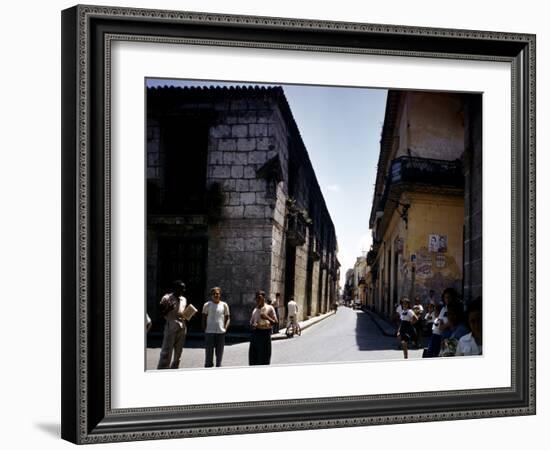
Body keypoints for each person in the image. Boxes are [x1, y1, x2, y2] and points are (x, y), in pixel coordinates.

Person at [157, 280, 188, 369]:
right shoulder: (166, 298)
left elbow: (181, 312)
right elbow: (160, 313)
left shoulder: (184, 299)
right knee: (167, 351)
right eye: (181, 288)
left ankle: (174, 368)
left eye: (184, 288)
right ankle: (162, 369)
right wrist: (168, 309)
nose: (183, 290)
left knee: (178, 352)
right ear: (175, 288)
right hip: (171, 327)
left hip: (182, 327)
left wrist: (188, 314)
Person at [202, 286, 230, 368]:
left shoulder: (224, 305)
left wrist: (225, 328)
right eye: (214, 294)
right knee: (208, 356)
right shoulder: (207, 305)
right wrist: (204, 329)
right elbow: (203, 318)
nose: (216, 295)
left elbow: (228, 318)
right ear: (211, 295)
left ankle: (218, 368)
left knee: (219, 356)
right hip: (209, 332)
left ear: (220, 295)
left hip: (221, 332)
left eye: (217, 293)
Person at [249, 290, 278, 365]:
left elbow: (275, 322)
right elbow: (251, 323)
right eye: (256, 298)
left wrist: (267, 317)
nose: (257, 300)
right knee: (253, 360)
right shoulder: (255, 310)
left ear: (264, 298)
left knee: (264, 360)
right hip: (255, 336)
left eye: (259, 297)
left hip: (265, 336)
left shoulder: (270, 308)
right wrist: (253, 326)